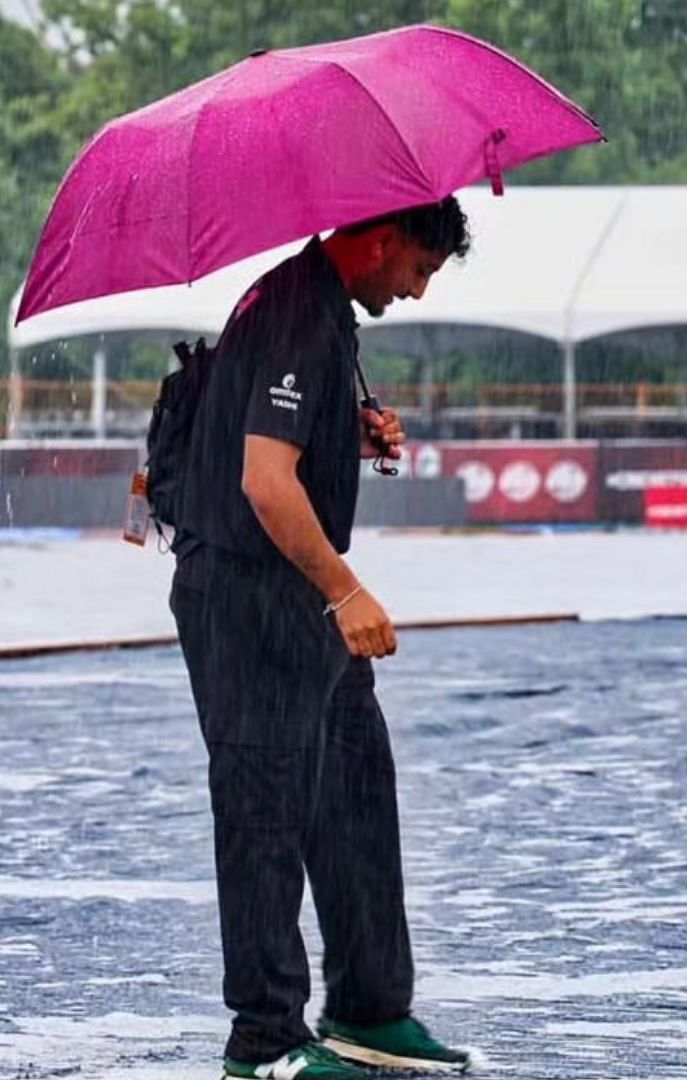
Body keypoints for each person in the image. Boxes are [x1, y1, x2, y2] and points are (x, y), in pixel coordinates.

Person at [170, 198, 472, 1080]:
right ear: (380, 241)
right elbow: (265, 483)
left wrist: (349, 427)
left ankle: (370, 1011)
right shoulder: (301, 308)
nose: (415, 292)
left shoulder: (319, 308)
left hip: (292, 597)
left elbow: (272, 438)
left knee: (354, 795)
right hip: (248, 595)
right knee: (264, 814)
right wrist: (348, 592)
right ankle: (263, 1043)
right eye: (418, 270)